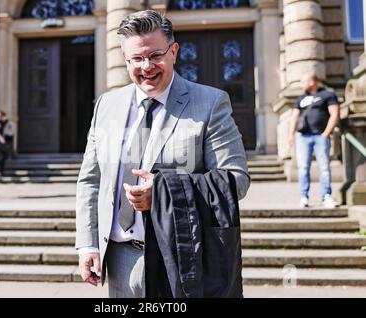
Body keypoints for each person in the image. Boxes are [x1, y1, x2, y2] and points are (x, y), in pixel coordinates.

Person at [75, 10, 250, 298]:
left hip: (179, 259)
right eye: (137, 59)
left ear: (174, 52)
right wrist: (88, 244)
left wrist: (165, 191)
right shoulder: (106, 105)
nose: (147, 66)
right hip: (118, 261)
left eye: (156, 55)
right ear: (125, 59)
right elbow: (91, 180)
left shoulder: (211, 103)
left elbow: (236, 179)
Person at [288, 72, 340, 209]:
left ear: (312, 82)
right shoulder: (301, 98)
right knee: (303, 168)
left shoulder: (327, 95)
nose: (301, 85)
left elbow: (335, 114)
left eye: (303, 81)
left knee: (324, 167)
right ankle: (304, 197)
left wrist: (326, 133)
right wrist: (290, 135)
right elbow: (294, 117)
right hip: (303, 137)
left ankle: (326, 196)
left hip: (320, 136)